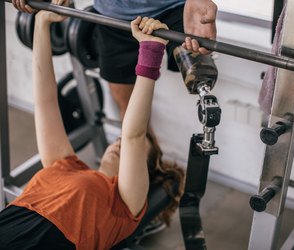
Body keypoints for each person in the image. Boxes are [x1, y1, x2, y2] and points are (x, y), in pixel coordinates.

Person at [0, 1, 184, 249]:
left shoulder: (125, 204)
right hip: (9, 223)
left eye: (140, 150)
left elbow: (134, 134)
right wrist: (42, 22)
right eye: (118, 139)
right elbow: (45, 101)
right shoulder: (64, 165)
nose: (119, 142)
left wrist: (151, 50)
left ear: (144, 170)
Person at [12, 0, 218, 119]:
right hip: (115, 17)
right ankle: (146, 163)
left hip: (176, 8)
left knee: (199, 73)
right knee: (128, 107)